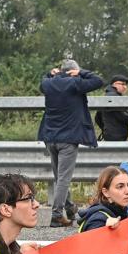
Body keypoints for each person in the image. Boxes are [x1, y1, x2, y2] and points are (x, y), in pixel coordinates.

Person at [39, 59, 104, 227]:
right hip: (68, 138)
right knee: (64, 178)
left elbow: (42, 83)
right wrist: (82, 72)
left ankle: (69, 208)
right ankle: (56, 214)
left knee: (59, 177)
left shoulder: (48, 83)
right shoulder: (75, 83)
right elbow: (98, 81)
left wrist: (50, 74)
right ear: (73, 71)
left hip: (50, 138)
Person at [76, 166, 128, 232]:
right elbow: (91, 244)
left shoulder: (120, 210)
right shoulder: (98, 220)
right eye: (120, 187)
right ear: (106, 192)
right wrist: (104, 229)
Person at [95, 74, 128, 142]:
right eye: (122, 84)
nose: (125, 87)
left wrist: (105, 128)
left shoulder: (107, 96)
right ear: (114, 84)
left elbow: (97, 117)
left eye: (126, 85)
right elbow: (120, 114)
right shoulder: (113, 97)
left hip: (109, 135)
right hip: (116, 136)